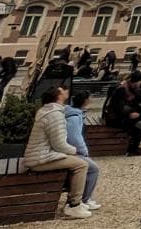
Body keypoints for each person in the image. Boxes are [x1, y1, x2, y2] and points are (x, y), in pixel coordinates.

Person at [22, 85, 92, 218]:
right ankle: (74, 205)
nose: (67, 90)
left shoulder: (47, 110)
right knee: (81, 164)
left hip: (40, 155)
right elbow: (59, 144)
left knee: (78, 162)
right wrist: (75, 150)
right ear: (59, 96)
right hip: (40, 159)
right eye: (63, 90)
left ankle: (74, 201)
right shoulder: (55, 115)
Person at [63, 91, 103, 212]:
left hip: (71, 150)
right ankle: (84, 199)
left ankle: (84, 198)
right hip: (72, 152)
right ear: (85, 101)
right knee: (93, 169)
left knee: (90, 168)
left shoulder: (73, 113)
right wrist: (83, 151)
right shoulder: (74, 117)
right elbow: (74, 137)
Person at [104, 72, 141, 156]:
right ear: (137, 81)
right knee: (139, 124)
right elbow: (117, 107)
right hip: (114, 118)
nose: (140, 83)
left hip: (120, 115)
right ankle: (133, 148)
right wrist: (129, 114)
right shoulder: (122, 89)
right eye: (140, 81)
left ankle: (134, 146)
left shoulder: (130, 86)